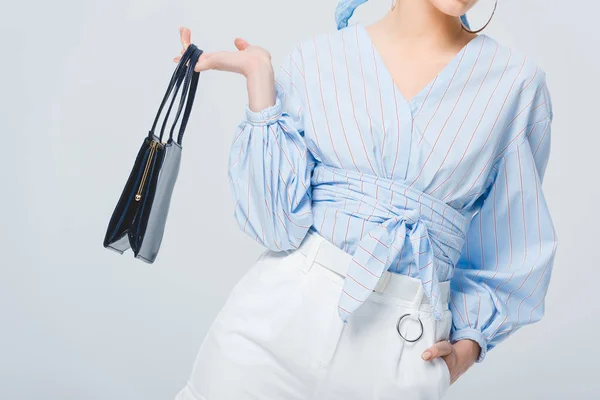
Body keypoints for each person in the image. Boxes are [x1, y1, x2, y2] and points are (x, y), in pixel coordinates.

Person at [173, 0, 558, 399]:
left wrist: (466, 349)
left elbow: (515, 247)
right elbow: (277, 230)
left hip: (400, 354)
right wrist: (260, 84)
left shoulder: (516, 85)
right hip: (271, 332)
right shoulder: (317, 59)